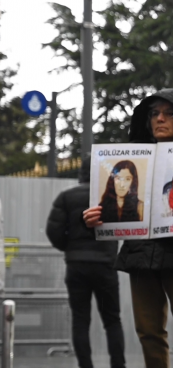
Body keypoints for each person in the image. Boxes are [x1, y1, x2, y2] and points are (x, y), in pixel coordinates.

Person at [83, 89, 173, 368]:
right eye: (154, 113)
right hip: (140, 253)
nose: (160, 118)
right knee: (148, 332)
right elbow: (111, 207)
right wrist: (90, 218)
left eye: (168, 113)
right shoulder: (132, 159)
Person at [46, 156, 126, 368]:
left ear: (80, 172)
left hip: (76, 266)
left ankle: (85, 366)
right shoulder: (110, 196)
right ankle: (119, 365)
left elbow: (53, 231)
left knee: (80, 320)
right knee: (112, 320)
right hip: (106, 265)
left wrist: (70, 248)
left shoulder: (66, 197)